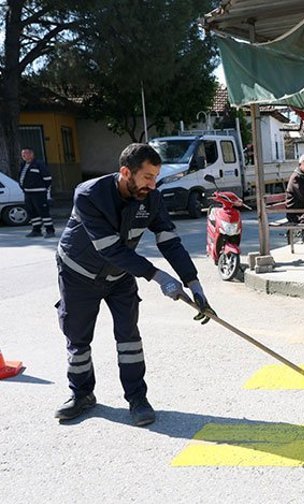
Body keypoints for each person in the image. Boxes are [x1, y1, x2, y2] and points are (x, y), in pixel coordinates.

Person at [54, 143, 215, 426]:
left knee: (129, 339)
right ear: (126, 172)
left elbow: (170, 241)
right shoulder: (90, 195)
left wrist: (194, 283)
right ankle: (81, 395)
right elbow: (109, 249)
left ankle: (137, 399)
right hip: (78, 275)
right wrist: (159, 277)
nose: (153, 184)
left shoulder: (151, 198)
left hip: (119, 276)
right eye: (148, 177)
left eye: (156, 177)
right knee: (78, 341)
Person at [19, 148, 55, 237]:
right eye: (22, 154)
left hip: (39, 193)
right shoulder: (23, 164)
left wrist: (43, 188)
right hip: (28, 193)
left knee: (43, 212)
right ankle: (36, 230)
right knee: (32, 212)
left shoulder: (38, 164)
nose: (23, 156)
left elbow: (47, 178)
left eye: (25, 154)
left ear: (31, 154)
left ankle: (50, 231)